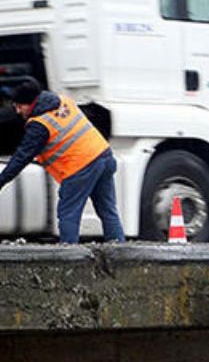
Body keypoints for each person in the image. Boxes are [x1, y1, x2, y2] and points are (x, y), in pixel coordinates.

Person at [0, 79, 124, 243]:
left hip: (80, 166)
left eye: (19, 106)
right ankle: (118, 251)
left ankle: (69, 257)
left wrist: (1, 180)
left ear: (30, 104)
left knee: (68, 213)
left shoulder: (40, 124)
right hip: (104, 155)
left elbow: (21, 157)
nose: (17, 111)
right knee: (108, 210)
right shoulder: (62, 101)